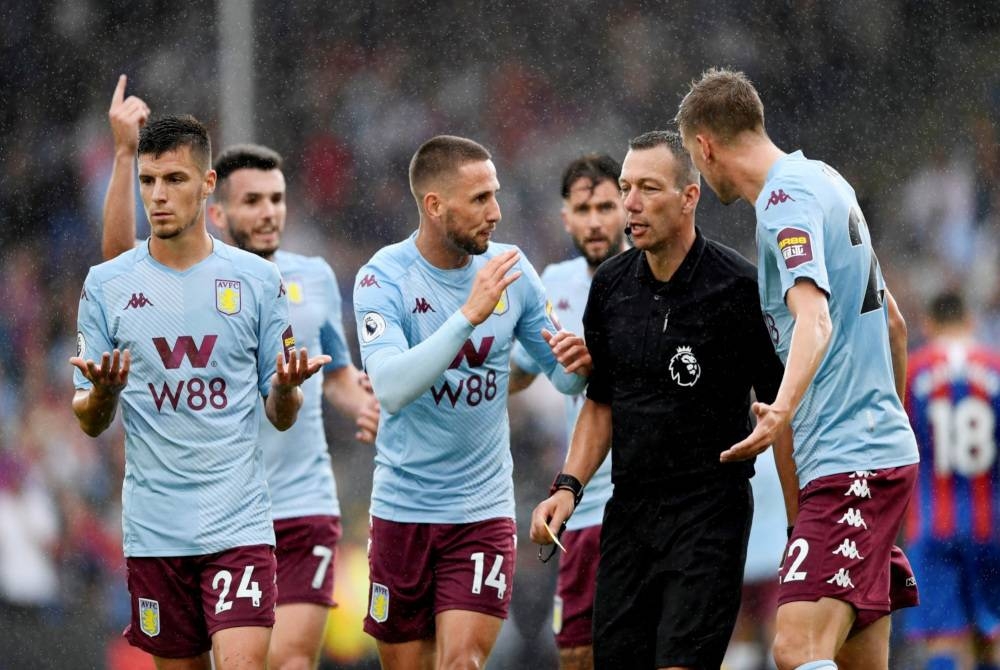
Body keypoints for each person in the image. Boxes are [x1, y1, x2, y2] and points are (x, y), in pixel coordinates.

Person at [101, 75, 380, 670]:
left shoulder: (315, 279)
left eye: (277, 199)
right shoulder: (180, 283)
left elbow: (336, 375)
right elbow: (116, 274)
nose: (270, 213)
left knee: (289, 659)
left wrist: (371, 409)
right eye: (253, 201)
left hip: (300, 501)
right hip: (204, 512)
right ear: (218, 211)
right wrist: (125, 155)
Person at [677, 67, 920, 670]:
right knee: (854, 658)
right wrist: (886, 427)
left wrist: (780, 410)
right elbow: (893, 324)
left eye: (691, 159)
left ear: (705, 147)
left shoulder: (784, 204)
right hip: (864, 455)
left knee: (794, 647)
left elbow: (814, 319)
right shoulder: (826, 180)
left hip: (850, 462)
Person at [71, 113, 329, 670]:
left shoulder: (258, 281)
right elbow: (88, 419)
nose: (158, 196)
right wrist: (104, 395)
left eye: (175, 179)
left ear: (208, 183)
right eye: (148, 181)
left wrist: (286, 390)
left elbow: (281, 413)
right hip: (155, 533)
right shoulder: (107, 285)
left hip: (238, 524)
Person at [529, 130, 786, 669]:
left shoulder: (737, 289)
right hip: (629, 514)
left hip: (709, 514)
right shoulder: (610, 287)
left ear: (689, 196)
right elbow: (601, 401)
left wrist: (797, 522)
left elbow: (779, 410)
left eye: (647, 188)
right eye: (626, 187)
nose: (631, 203)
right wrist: (567, 487)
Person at [352, 135, 591, 670]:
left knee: (461, 662)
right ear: (435, 205)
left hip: (480, 510)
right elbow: (390, 387)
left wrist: (580, 362)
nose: (496, 212)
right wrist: (468, 316)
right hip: (402, 510)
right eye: (480, 198)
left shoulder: (511, 269)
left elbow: (565, 378)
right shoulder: (382, 277)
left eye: (495, 195)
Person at [508, 153, 627, 670]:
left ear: (627, 207)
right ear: (565, 217)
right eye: (583, 209)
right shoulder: (553, 283)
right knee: (576, 651)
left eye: (605, 207)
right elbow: (518, 370)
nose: (595, 221)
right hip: (582, 501)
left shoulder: (654, 275)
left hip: (645, 499)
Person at [903, 290, 1000, 670]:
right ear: (971, 321)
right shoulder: (995, 367)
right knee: (993, 634)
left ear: (928, 324)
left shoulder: (913, 371)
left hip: (933, 523)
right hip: (991, 522)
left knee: (943, 636)